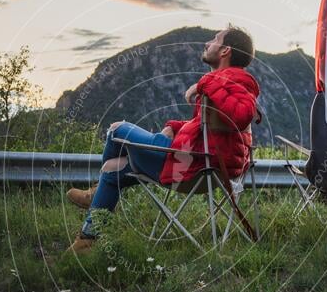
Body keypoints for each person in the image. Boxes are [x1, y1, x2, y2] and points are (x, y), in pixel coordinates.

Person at [66, 25, 260, 254]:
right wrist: (174, 127)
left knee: (117, 129)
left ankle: (94, 197)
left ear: (225, 50)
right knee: (111, 169)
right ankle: (87, 240)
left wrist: (203, 84)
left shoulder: (238, 81)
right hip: (197, 160)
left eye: (214, 39)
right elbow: (207, 129)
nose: (207, 43)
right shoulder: (224, 82)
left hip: (195, 165)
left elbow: (241, 115)